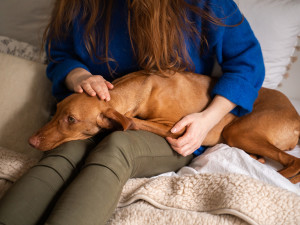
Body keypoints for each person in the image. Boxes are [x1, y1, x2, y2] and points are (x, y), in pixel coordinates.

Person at [0, 0, 265, 224]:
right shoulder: (81, 5)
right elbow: (60, 54)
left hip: (168, 127)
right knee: (62, 154)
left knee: (118, 147)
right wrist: (79, 75)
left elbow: (248, 64)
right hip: (90, 113)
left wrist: (206, 120)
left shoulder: (208, 4)